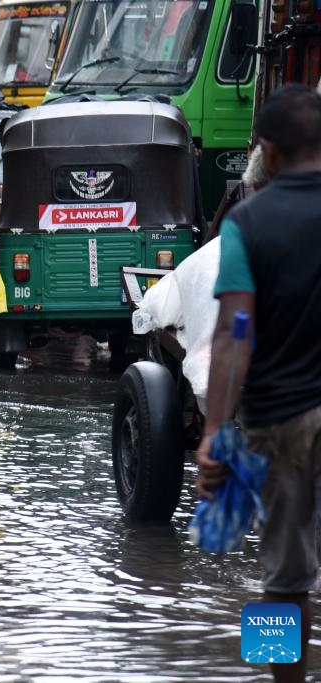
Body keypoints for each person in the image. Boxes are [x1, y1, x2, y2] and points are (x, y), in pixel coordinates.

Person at [195, 84, 321, 683]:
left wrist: (214, 430)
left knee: (281, 579)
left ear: (267, 153)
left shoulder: (248, 221)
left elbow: (234, 333)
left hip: (280, 423)